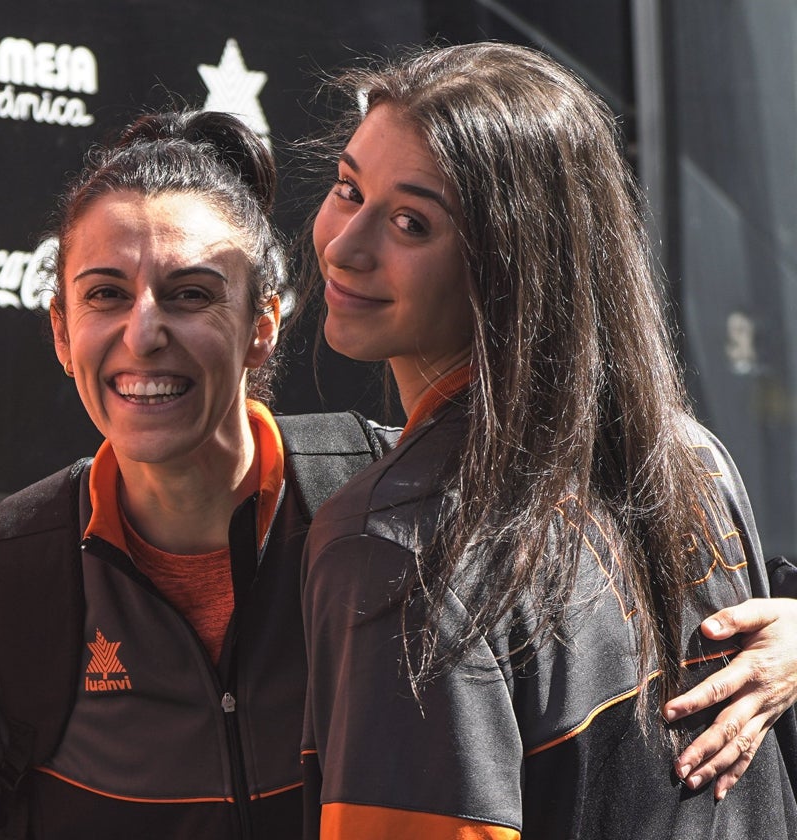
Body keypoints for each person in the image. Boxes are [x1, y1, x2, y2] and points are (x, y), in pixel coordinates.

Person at [0, 106, 797, 839]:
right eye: (104, 294)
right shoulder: (3, 576)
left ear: (263, 322)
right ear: (62, 332)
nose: (143, 332)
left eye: (191, 294)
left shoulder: (398, 518)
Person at [299, 42, 797, 839]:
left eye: (409, 222)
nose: (343, 244)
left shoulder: (400, 546)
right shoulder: (693, 457)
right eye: (347, 189)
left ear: (509, 264)